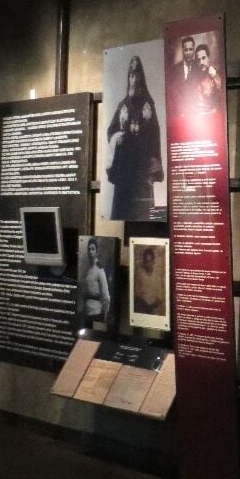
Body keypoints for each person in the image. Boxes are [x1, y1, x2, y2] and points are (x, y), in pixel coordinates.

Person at [106, 54, 164, 220]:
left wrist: (153, 163)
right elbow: (111, 130)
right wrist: (118, 136)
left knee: (141, 213)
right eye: (131, 76)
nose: (134, 80)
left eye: (137, 76)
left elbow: (155, 135)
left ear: (141, 78)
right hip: (124, 166)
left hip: (141, 166)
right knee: (122, 211)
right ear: (128, 78)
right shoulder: (122, 105)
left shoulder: (148, 105)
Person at [80, 238, 111, 325]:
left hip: (96, 312)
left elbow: (106, 295)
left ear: (97, 252)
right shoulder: (88, 269)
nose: (90, 251)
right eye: (89, 249)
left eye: (93, 249)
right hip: (87, 311)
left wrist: (105, 316)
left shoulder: (100, 270)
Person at [134, 246, 164, 317]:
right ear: (144, 262)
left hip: (153, 308)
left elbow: (160, 297)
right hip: (142, 307)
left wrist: (151, 307)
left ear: (153, 261)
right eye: (146, 261)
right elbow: (137, 294)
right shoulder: (141, 275)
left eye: (150, 261)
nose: (148, 264)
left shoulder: (157, 276)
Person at [194, 44, 224, 113]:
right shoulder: (194, 77)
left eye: (203, 58)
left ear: (208, 58)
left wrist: (215, 76)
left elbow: (222, 94)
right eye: (198, 60)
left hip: (215, 113)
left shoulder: (216, 74)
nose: (201, 62)